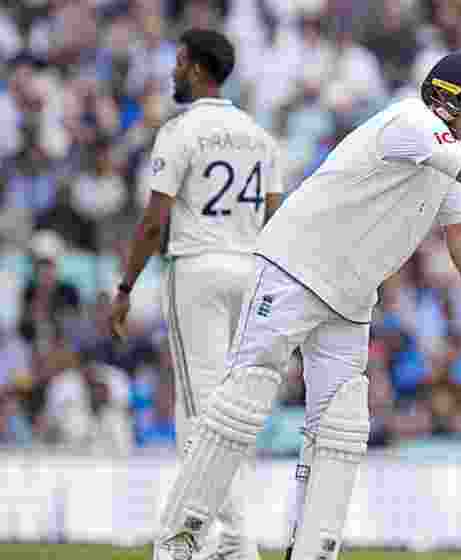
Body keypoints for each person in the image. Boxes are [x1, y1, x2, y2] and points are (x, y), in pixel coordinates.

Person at [144, 50, 461, 560]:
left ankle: (313, 551)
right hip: (294, 268)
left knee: (343, 427)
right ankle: (181, 539)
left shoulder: (441, 154)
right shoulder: (412, 123)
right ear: (445, 100)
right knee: (242, 402)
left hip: (351, 297)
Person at [108, 29, 285, 560]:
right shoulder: (260, 136)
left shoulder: (182, 132)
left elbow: (151, 223)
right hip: (250, 269)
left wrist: (124, 288)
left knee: (202, 408)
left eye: (177, 62)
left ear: (193, 66)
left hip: (198, 268)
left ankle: (224, 538)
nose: (172, 72)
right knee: (222, 411)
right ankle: (223, 537)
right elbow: (278, 219)